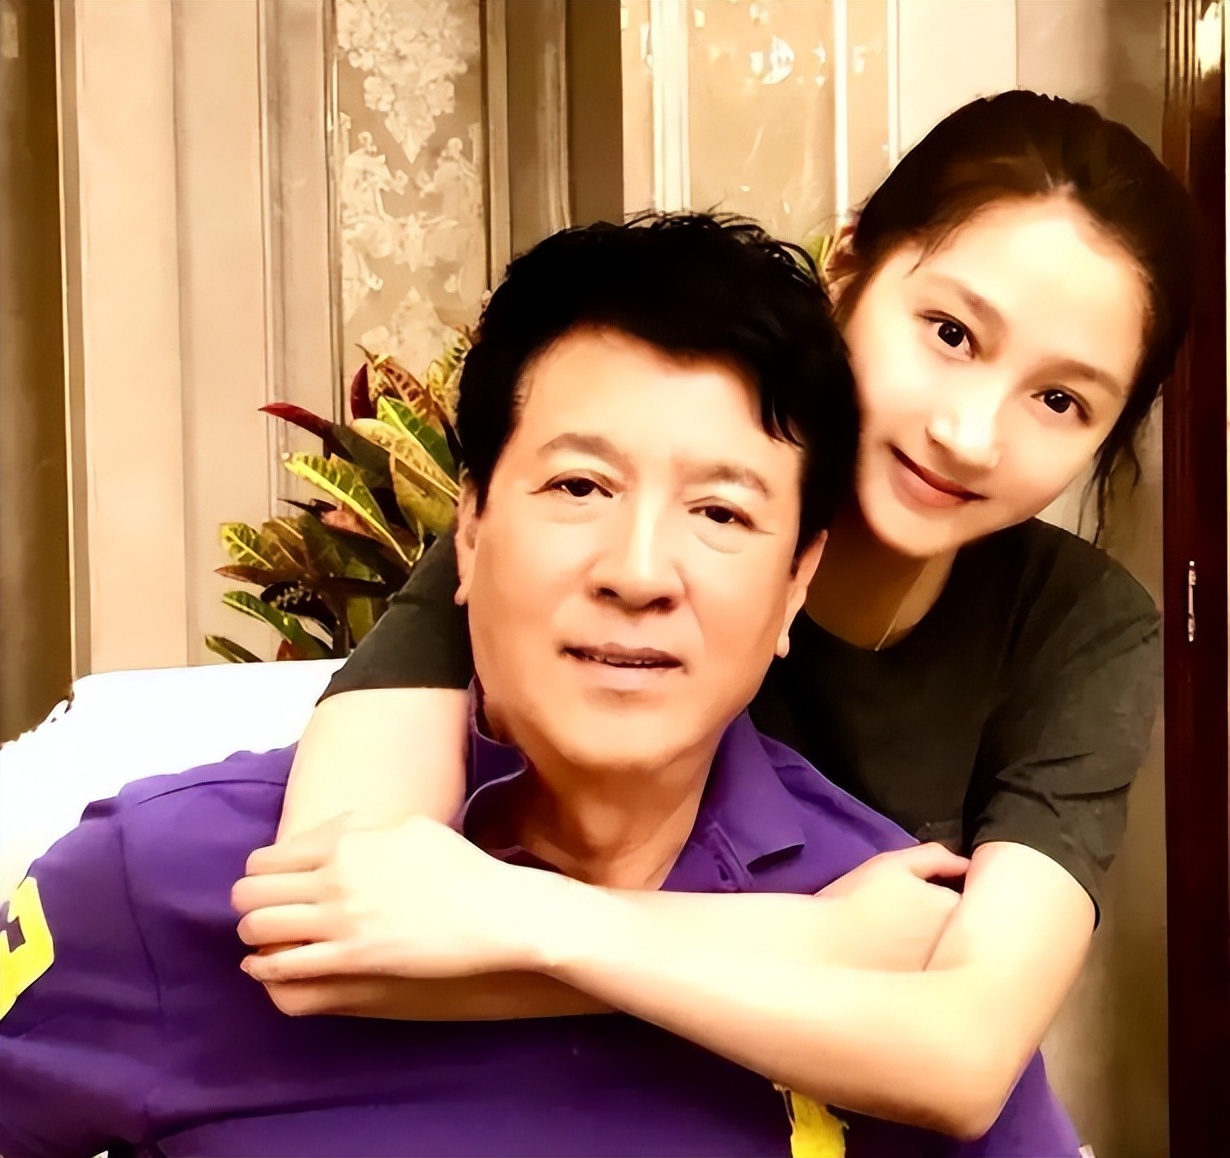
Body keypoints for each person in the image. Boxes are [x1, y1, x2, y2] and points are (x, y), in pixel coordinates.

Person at [0, 215, 1076, 1157]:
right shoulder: (164, 881)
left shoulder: (901, 955)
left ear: (798, 580)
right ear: (467, 533)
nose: (640, 573)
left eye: (721, 513)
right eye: (579, 486)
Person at [233, 91, 1200, 1136]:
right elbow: (334, 921)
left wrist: (516, 921)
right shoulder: (589, 535)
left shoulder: (1077, 625)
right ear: (847, 269)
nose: (970, 434)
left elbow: (965, 1059)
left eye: (1060, 401)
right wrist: (817, 940)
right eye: (951, 334)